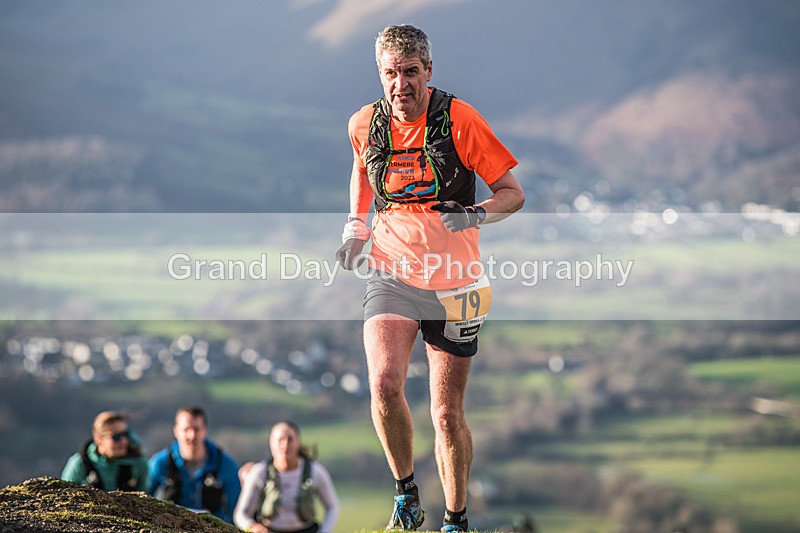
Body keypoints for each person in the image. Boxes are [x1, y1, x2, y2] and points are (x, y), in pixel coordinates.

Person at [335, 24, 525, 533]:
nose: (401, 84)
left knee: (445, 414)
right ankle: (405, 494)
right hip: (391, 271)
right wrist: (356, 224)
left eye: (411, 72)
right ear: (381, 74)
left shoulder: (460, 120)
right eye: (391, 74)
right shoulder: (364, 123)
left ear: (429, 71)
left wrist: (476, 214)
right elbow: (361, 166)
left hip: (457, 282)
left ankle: (456, 518)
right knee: (382, 383)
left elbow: (512, 192)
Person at [234, 420, 340, 533]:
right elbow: (241, 514)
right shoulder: (260, 472)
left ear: (298, 442)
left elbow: (332, 506)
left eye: (290, 439)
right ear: (271, 443)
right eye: (280, 440)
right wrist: (253, 527)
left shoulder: (316, 471)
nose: (285, 445)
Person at [148, 406, 241, 524]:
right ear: (176, 431)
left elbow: (236, 510)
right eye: (186, 429)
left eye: (197, 429)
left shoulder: (225, 465)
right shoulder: (160, 463)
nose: (192, 435)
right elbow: (141, 497)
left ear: (205, 430)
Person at [61, 410, 149, 492]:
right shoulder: (79, 464)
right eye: (116, 437)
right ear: (98, 440)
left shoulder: (138, 461)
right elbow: (64, 494)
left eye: (126, 434)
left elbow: (146, 496)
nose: (124, 441)